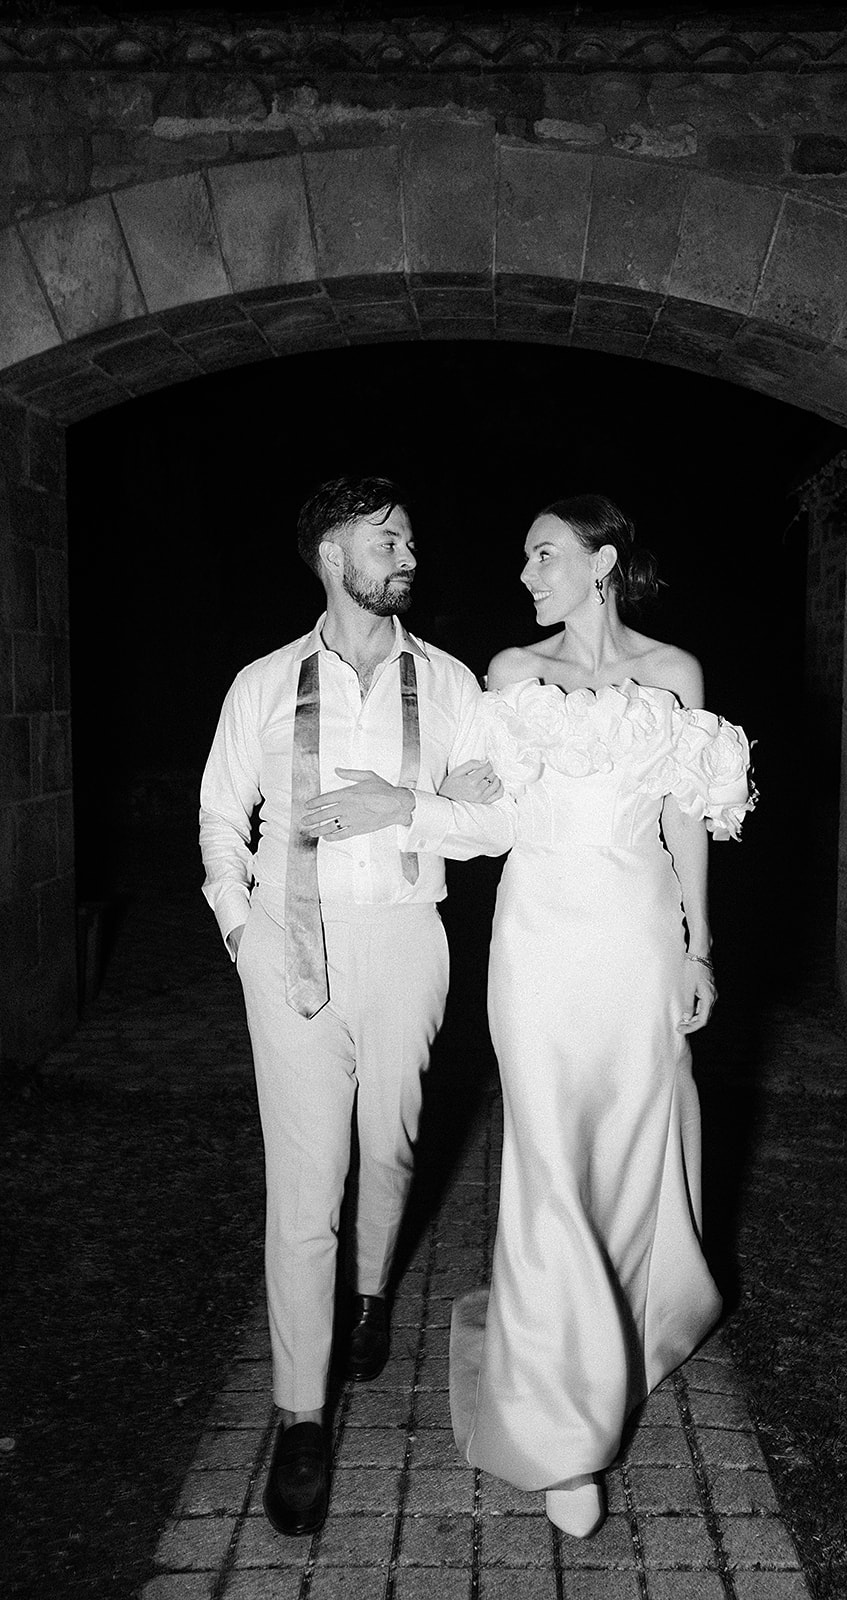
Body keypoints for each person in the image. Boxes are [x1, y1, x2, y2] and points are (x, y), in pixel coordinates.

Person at [339, 491, 755, 1540]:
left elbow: (684, 818)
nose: (524, 574)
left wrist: (697, 947)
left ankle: (621, 1330)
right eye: (525, 559)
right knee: (547, 1163)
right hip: (536, 943)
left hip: (635, 940)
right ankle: (557, 1431)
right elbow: (497, 816)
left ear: (601, 558)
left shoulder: (673, 676)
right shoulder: (513, 676)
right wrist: (406, 806)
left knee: (625, 1149)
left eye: (543, 553)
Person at [198, 474, 513, 1536]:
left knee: (388, 1148)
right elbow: (216, 819)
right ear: (335, 555)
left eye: (411, 537)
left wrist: (402, 806)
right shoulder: (262, 682)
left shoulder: (451, 681)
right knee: (303, 1184)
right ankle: (298, 1418)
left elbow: (497, 818)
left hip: (406, 941)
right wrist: (243, 931)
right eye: (389, 538)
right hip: (290, 945)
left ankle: (372, 1290)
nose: (408, 552)